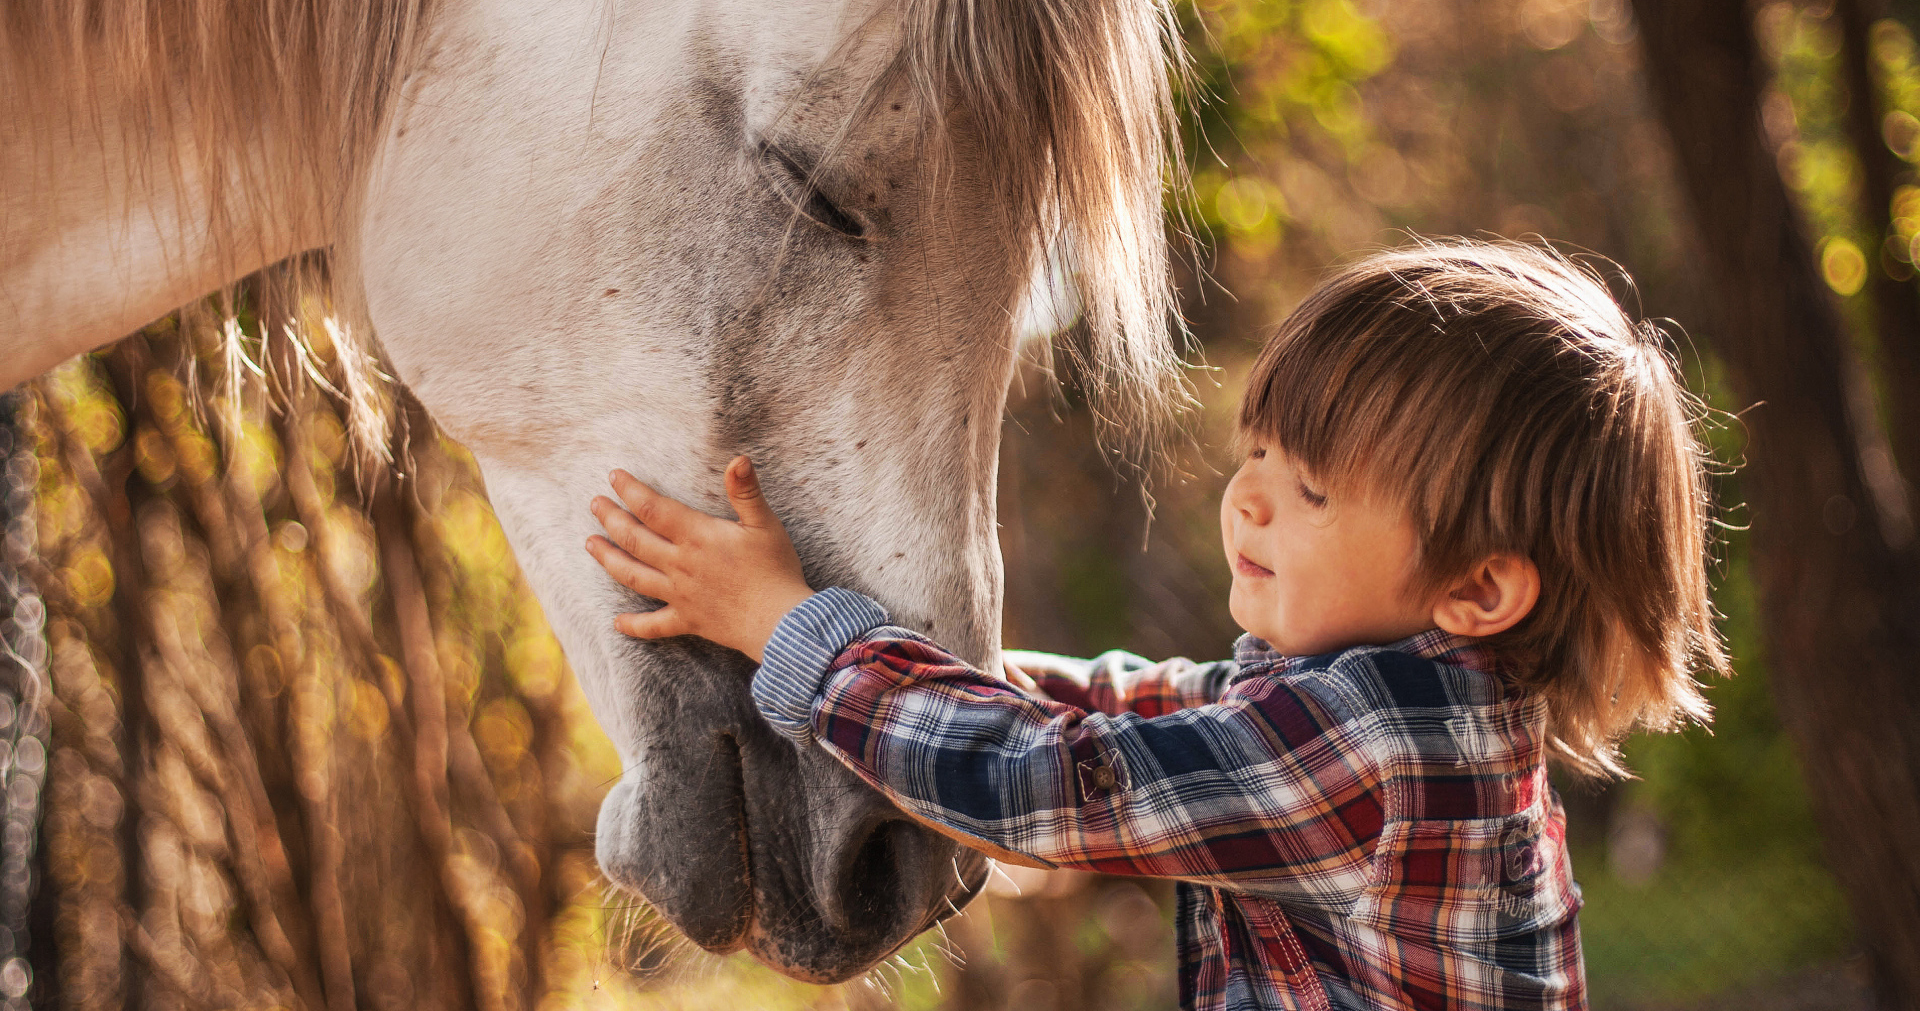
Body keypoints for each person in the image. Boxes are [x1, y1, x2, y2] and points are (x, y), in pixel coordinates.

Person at [583, 240, 1727, 1010]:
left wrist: (795, 634)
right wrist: (947, 665)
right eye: (1259, 452)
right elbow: (1144, 707)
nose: (1251, 498)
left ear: (1478, 590)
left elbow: (1060, 786)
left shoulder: (1371, 749)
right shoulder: (1399, 704)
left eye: (1313, 489)